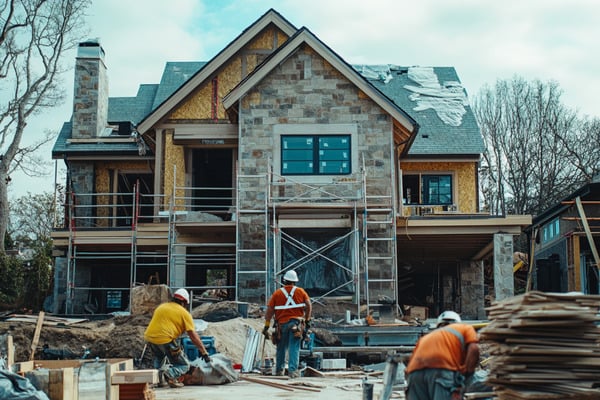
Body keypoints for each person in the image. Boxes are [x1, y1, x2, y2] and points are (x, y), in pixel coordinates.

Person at [144, 288, 211, 388]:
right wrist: (204, 352)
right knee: (184, 365)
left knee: (159, 358)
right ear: (184, 302)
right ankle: (170, 374)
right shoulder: (184, 314)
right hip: (166, 339)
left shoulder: (162, 307)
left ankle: (157, 381)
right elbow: (193, 335)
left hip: (150, 337)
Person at [405, 310, 480, 400]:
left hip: (414, 373)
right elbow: (474, 349)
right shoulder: (464, 328)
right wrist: (468, 373)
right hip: (441, 370)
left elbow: (409, 363)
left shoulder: (426, 338)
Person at [262, 270, 312, 378]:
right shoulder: (301, 292)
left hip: (281, 325)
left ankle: (279, 370)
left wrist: (266, 325)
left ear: (284, 280)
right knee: (294, 347)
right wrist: (307, 320)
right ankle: (292, 371)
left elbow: (270, 310)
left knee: (281, 347)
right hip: (295, 324)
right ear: (295, 281)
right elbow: (308, 305)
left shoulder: (277, 293)